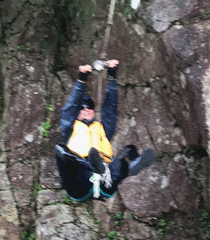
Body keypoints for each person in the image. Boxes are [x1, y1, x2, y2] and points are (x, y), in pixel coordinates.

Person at [55, 59, 155, 200]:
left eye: (89, 108)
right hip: (78, 182)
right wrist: (81, 79)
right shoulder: (69, 127)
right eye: (82, 109)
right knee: (60, 150)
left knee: (129, 151)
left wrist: (112, 75)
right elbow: (70, 106)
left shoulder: (103, 128)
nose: (86, 111)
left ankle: (130, 166)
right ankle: (94, 168)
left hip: (104, 182)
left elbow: (110, 107)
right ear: (76, 113)